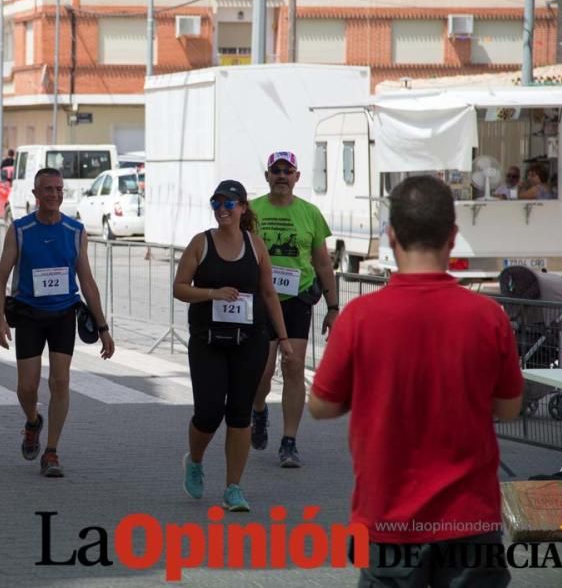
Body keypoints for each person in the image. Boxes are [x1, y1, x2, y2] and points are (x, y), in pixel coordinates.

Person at [309, 175, 523, 586]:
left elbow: (322, 405)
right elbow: (509, 408)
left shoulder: (359, 318)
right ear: (453, 235)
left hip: (388, 520)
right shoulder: (488, 317)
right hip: (470, 522)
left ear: (390, 236)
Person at [173, 181, 292, 511]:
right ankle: (195, 461)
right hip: (208, 341)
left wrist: (283, 340)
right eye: (217, 202)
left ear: (242, 208)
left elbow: (269, 293)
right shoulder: (201, 243)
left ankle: (233, 488)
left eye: (229, 203)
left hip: (249, 341)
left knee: (240, 414)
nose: (222, 208)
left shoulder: (256, 246)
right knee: (209, 412)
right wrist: (212, 293)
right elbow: (180, 288)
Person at [0, 168, 115, 478]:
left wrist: (103, 327)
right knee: (26, 387)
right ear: (35, 194)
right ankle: (33, 420)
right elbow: (0, 279)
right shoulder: (20, 229)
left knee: (60, 382)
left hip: (63, 314)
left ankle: (52, 451)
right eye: (47, 189)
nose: (54, 194)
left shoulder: (75, 230)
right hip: (30, 314)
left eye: (59, 189)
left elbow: (87, 281)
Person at [248, 151, 337, 468]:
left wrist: (334, 307)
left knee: (293, 367)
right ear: (268, 176)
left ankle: (289, 441)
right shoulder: (253, 211)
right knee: (263, 372)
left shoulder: (310, 213)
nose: (282, 176)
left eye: (288, 171)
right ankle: (258, 411)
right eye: (276, 170)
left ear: (297, 177)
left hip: (297, 298)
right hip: (261, 300)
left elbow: (323, 263)